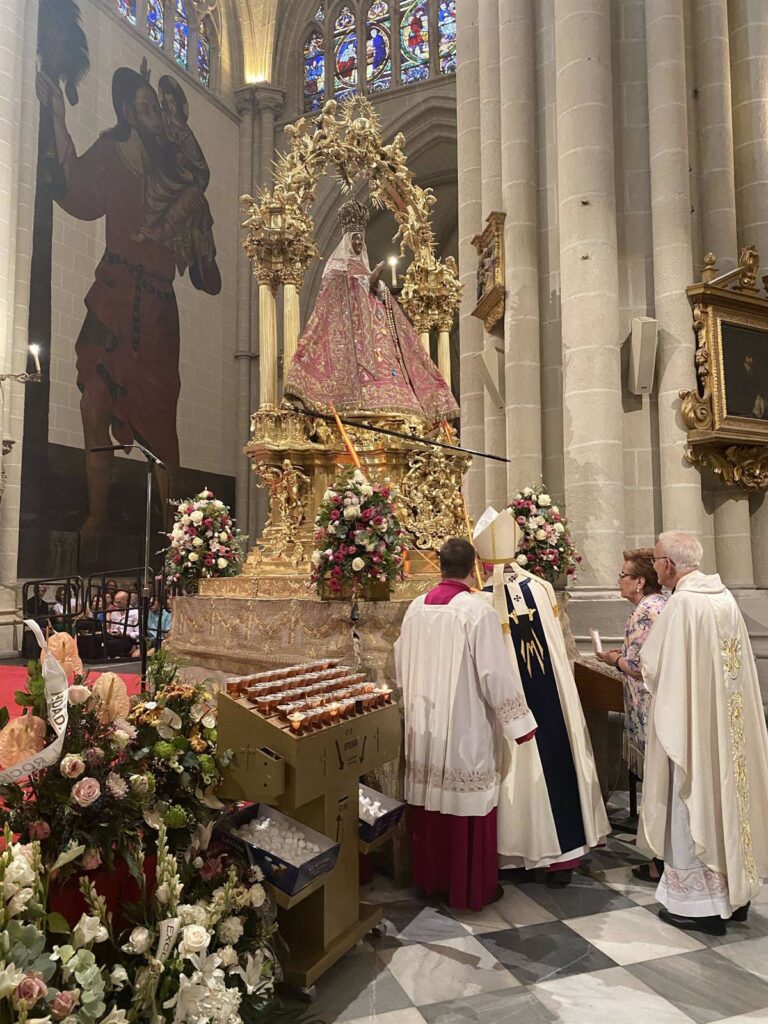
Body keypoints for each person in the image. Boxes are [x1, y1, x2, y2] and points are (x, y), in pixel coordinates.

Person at [36, 63, 220, 537]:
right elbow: (77, 193)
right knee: (91, 406)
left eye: (156, 108)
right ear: (127, 112)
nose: (154, 115)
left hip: (157, 310)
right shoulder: (111, 153)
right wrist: (57, 117)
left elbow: (207, 262)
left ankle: (172, 532)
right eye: (145, 108)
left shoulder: (174, 170)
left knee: (160, 426)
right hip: (111, 293)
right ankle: (97, 515)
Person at [395, 537, 537, 912]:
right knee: (464, 804)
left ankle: (430, 881)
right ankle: (469, 887)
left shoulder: (414, 608)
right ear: (473, 565)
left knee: (430, 802)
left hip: (425, 725)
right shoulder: (477, 611)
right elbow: (495, 674)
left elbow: (399, 664)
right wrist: (520, 722)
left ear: (438, 564)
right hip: (464, 725)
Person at [637, 531, 768, 936]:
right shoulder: (723, 596)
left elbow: (654, 665)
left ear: (669, 566)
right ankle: (737, 896)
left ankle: (702, 905)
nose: (655, 565)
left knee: (691, 801)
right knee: (730, 803)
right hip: (728, 730)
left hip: (694, 728)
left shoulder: (684, 604)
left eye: (657, 559)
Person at [474, 508, 609, 887]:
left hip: (511, 705)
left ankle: (518, 852)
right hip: (551, 699)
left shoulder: (481, 598)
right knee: (556, 751)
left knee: (518, 765)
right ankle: (563, 854)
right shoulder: (541, 587)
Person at [283, 199, 458, 426]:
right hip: (350, 342)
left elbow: (376, 295)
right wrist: (365, 283)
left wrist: (376, 285)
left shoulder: (364, 269)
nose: (358, 242)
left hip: (377, 338)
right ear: (347, 241)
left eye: (361, 239)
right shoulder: (336, 271)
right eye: (354, 238)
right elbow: (332, 304)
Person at [596, 548, 668, 881]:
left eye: (623, 575)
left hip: (649, 709)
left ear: (639, 581)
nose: (619, 581)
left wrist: (612, 659)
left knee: (658, 787)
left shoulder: (644, 611)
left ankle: (660, 862)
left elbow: (639, 667)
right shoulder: (661, 606)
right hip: (660, 706)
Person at [106, 590, 140, 658]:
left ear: (127, 601)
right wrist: (110, 631)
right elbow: (113, 628)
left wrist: (125, 634)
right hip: (115, 636)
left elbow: (140, 633)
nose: (116, 604)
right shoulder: (114, 613)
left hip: (129, 639)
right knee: (98, 638)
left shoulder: (135, 613)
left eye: (119, 602)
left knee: (110, 644)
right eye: (115, 602)